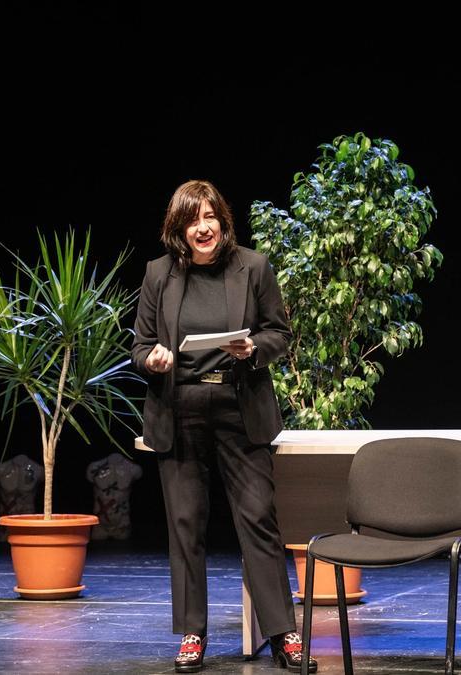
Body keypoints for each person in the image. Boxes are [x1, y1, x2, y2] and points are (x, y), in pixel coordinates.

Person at [132, 180, 314, 673]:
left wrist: (254, 348)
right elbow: (140, 346)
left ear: (222, 221)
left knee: (258, 519)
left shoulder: (252, 267)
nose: (203, 226)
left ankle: (283, 633)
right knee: (186, 524)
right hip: (180, 408)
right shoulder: (159, 274)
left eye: (209, 216)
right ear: (179, 229)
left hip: (239, 407)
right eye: (192, 220)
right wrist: (153, 358)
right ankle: (193, 632)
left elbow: (279, 333)